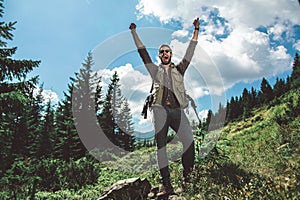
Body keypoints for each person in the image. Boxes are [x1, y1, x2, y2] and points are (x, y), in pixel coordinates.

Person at [129, 18, 200, 196]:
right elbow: (142, 52)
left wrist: (196, 31)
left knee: (189, 142)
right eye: (162, 52)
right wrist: (134, 33)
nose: (165, 53)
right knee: (161, 147)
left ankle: (187, 177)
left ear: (171, 55)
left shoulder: (180, 69)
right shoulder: (154, 70)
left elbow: (190, 52)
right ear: (159, 56)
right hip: (160, 110)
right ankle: (166, 184)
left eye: (168, 51)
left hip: (177, 111)